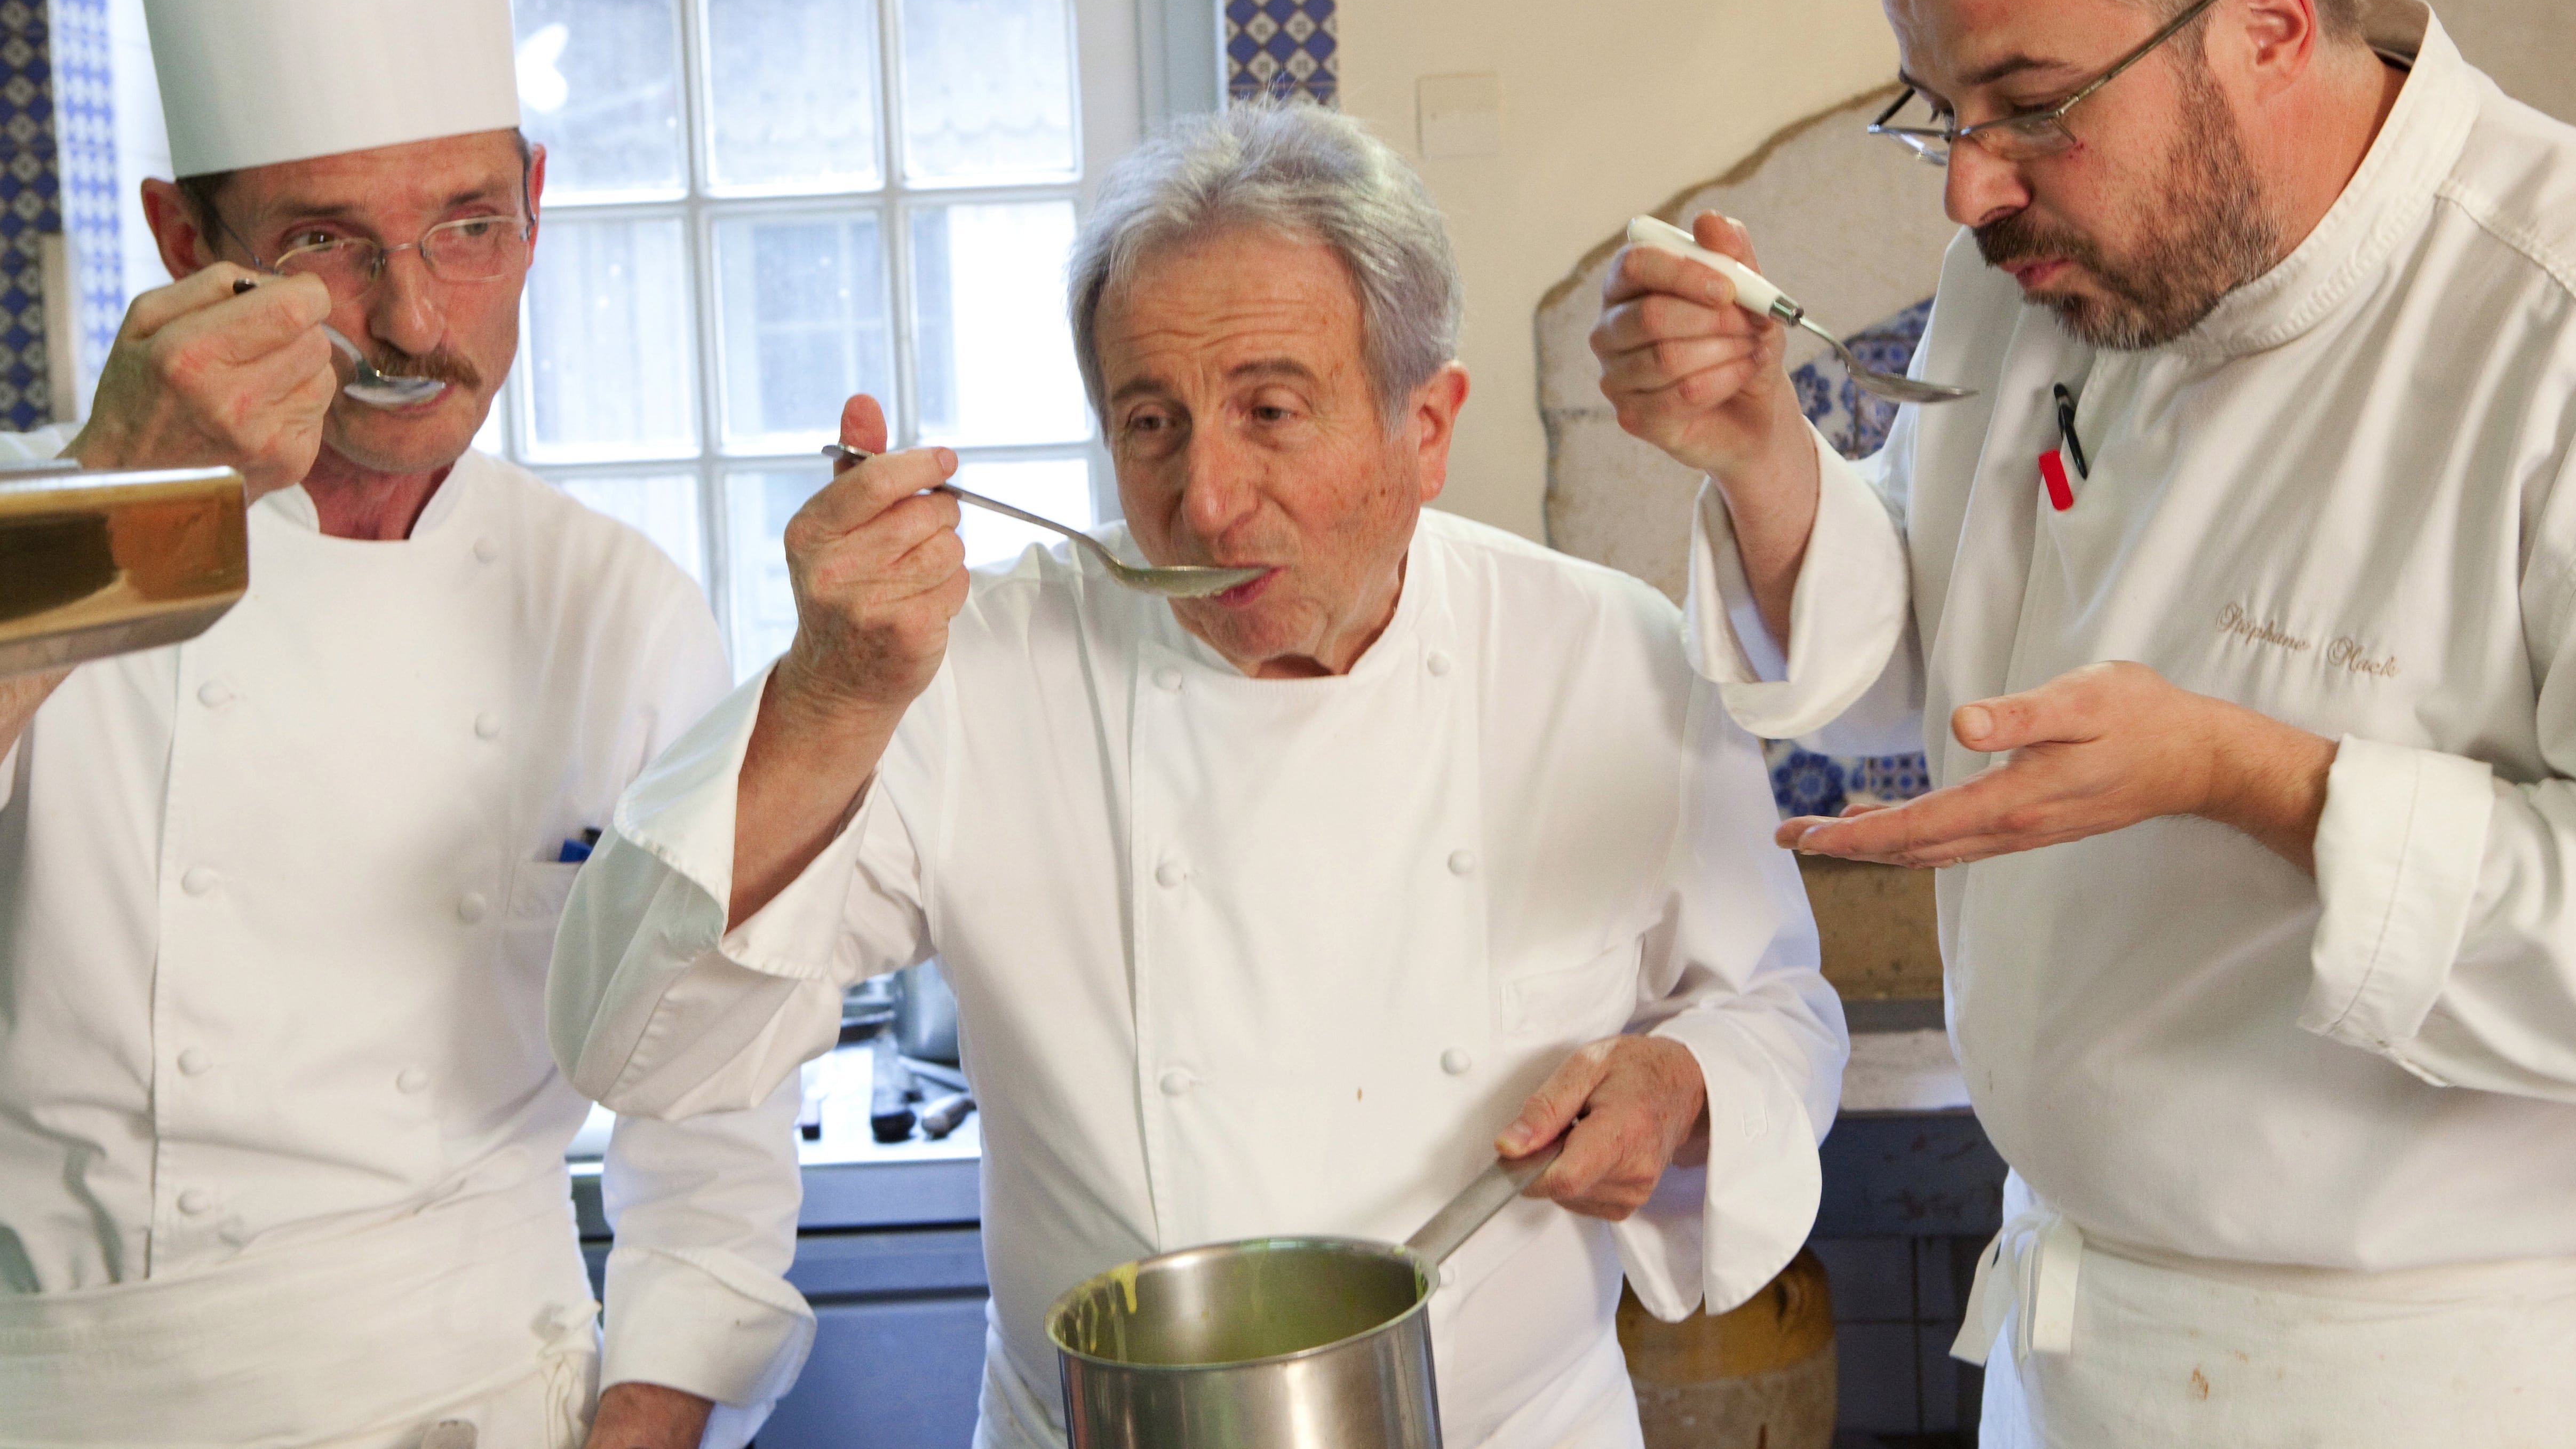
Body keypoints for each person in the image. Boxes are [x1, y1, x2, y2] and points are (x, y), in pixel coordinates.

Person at [1595, 0, 2576, 1442]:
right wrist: (1766, 456)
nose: (1969, 191)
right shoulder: (2043, 274)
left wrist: (2255, 778)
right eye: (1938, 106)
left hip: (2437, 1384)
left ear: (2261, 26)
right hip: (2068, 1343)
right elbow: (1952, 629)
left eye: (2026, 102)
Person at [548, 101, 1849, 1448]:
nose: (1206, 498)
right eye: (1150, 421)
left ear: (1428, 423)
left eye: (1270, 409)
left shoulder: (1607, 654)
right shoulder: (973, 668)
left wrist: (1681, 1088)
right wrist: (829, 696)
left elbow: (1774, 1009)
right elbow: (640, 1041)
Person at [0, 0, 812, 1445]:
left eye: (470, 225)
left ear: (536, 193)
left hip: (481, 1398)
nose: (415, 324)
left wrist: (638, 1429)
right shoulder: (25, 529)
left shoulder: (612, 606)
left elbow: (717, 1139)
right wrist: (117, 498)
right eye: (327, 244)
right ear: (180, 237)